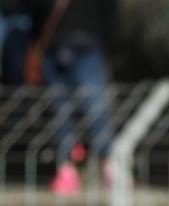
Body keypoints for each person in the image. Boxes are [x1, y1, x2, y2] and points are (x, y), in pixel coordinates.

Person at [28, 0, 117, 195]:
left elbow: (110, 14)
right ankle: (66, 168)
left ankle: (110, 166)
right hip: (53, 47)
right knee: (60, 111)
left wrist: (106, 46)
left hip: (88, 47)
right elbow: (35, 14)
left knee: (95, 108)